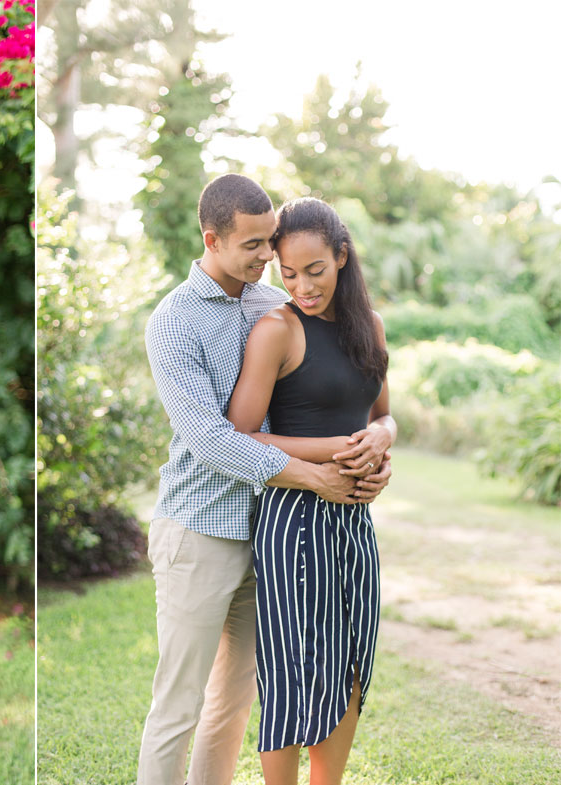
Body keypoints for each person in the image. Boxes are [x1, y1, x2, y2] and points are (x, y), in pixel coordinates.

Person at [140, 174, 392, 785]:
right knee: (180, 704)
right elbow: (209, 438)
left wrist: (379, 437)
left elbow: (324, 396)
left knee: (233, 706)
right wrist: (317, 472)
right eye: (255, 244)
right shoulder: (174, 320)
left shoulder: (270, 305)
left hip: (267, 531)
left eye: (270, 242)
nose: (268, 257)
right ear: (213, 239)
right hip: (199, 528)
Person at [226, 197, 393, 785]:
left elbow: (384, 417)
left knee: (350, 666)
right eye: (287, 273)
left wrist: (377, 442)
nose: (301, 286)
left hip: (354, 519)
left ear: (341, 256)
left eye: (314, 270)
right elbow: (240, 435)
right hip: (294, 519)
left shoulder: (369, 326)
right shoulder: (276, 330)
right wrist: (341, 449)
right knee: (293, 673)